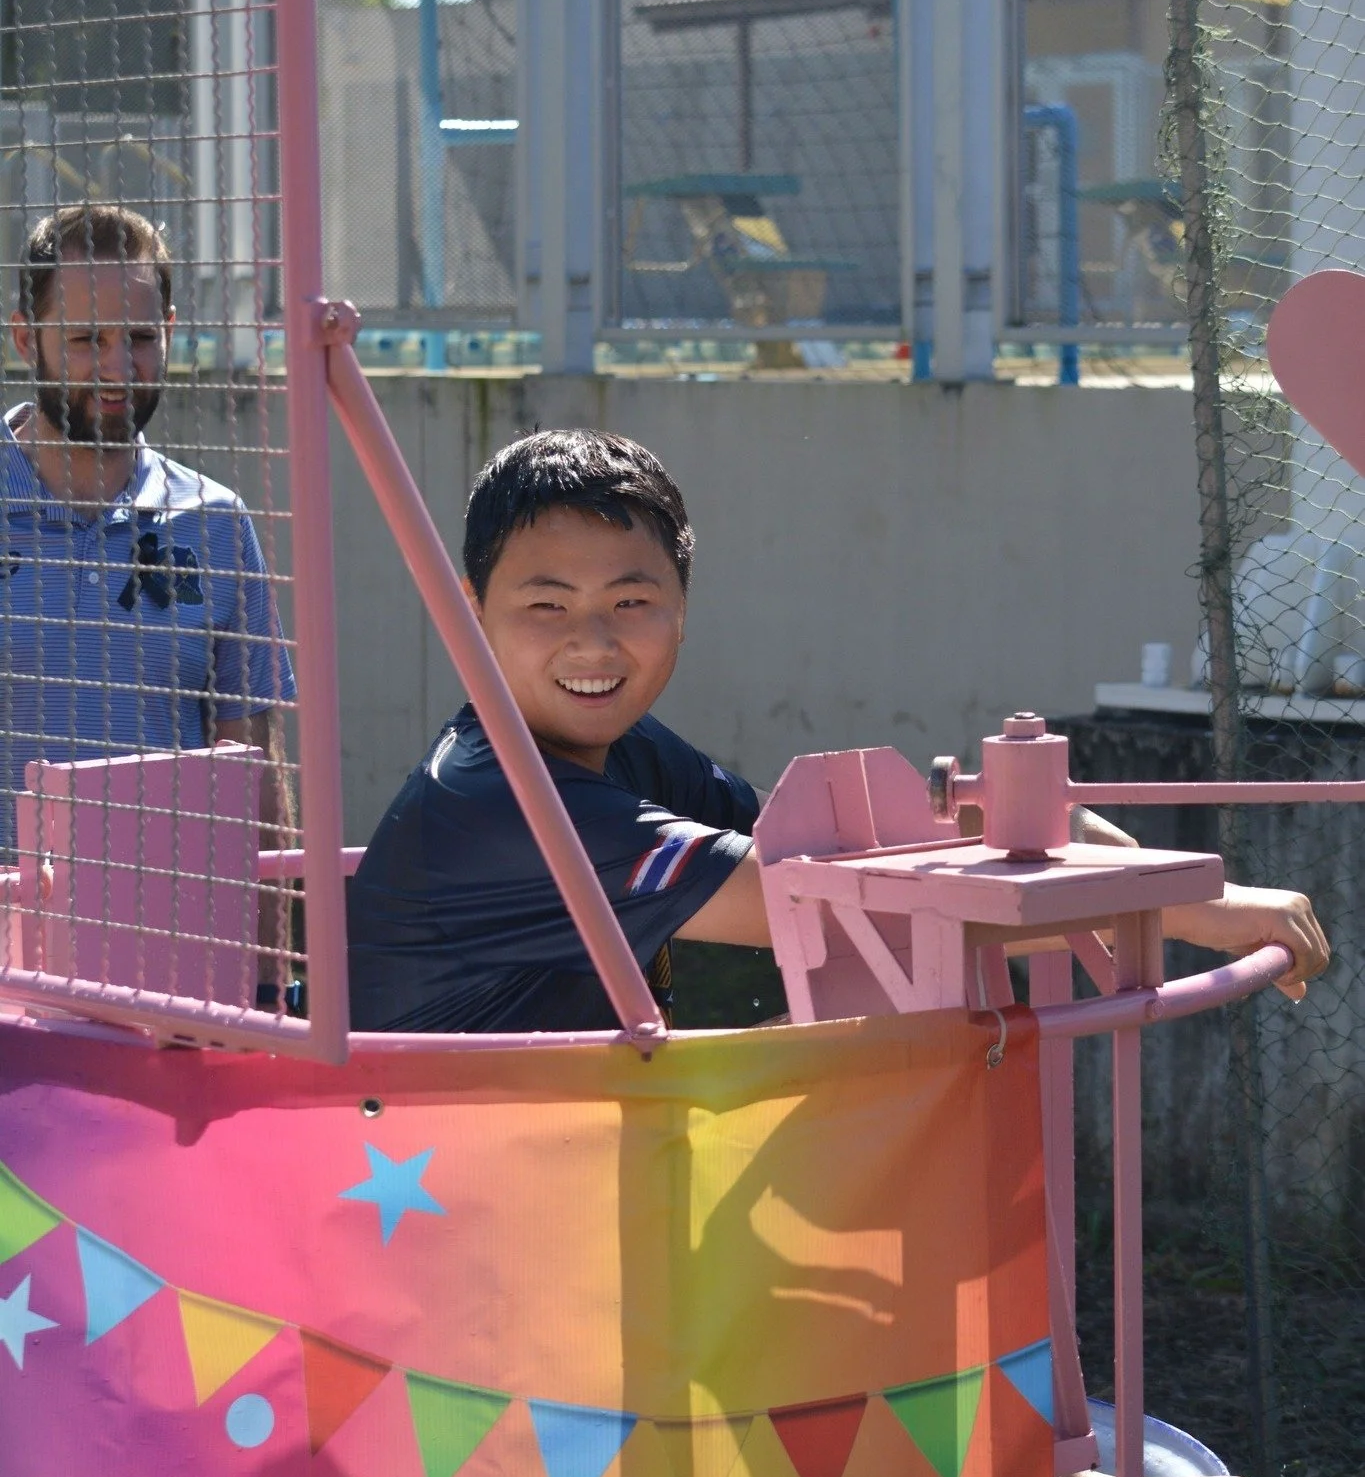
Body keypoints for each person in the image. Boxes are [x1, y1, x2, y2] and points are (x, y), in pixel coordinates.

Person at [347, 428, 1329, 1035]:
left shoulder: (621, 753)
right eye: (546, 605)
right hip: (447, 1222)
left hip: (542, 1171)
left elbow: (828, 851)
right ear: (470, 611)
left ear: (682, 608)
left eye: (631, 600)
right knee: (884, 1038)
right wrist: (1185, 903)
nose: (593, 642)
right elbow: (822, 910)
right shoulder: (502, 804)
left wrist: (1038, 839)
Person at [0, 206, 297, 980]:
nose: (117, 367)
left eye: (137, 337)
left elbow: (253, 772)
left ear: (168, 331)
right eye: (86, 339)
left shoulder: (217, 523)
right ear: (26, 339)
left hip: (170, 973)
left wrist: (272, 980)